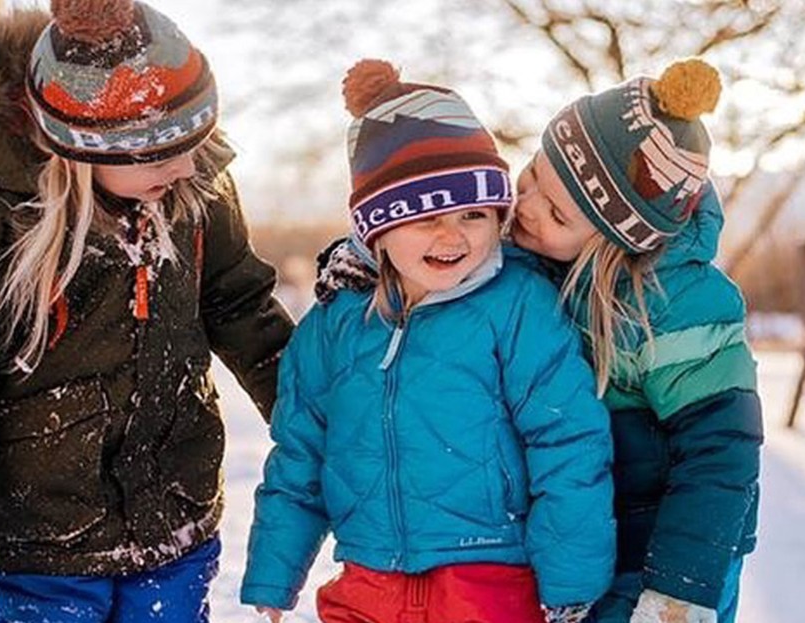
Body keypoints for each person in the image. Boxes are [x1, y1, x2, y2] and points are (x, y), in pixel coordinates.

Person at [0, 2, 291, 621]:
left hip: (173, 527)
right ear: (83, 149)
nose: (186, 167)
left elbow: (243, 309)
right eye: (159, 154)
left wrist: (327, 435)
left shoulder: (191, 187)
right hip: (40, 552)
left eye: (195, 141)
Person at [320, 59, 762, 623]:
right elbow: (444, 246)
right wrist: (370, 261)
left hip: (668, 555)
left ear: (613, 243)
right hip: (586, 541)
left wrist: (680, 587)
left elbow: (722, 454)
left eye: (554, 211)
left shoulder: (682, 307)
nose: (523, 209)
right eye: (530, 177)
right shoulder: (540, 257)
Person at [241, 60, 615, 623]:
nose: (452, 235)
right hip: (367, 579)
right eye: (424, 218)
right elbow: (300, 456)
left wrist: (570, 581)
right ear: (377, 231)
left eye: (473, 213)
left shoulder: (516, 306)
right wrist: (273, 576)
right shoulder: (335, 325)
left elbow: (567, 442)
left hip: (490, 582)